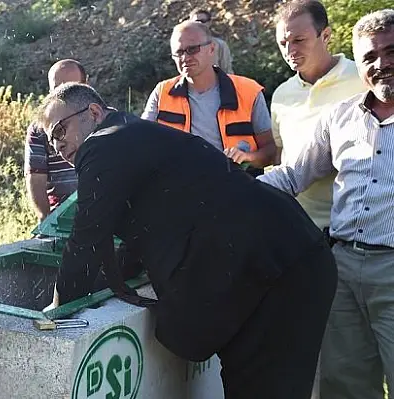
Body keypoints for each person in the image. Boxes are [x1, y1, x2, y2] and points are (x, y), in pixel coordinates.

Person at [40, 82, 337, 399]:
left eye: (60, 131)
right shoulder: (132, 133)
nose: (57, 145)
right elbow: (147, 229)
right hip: (287, 259)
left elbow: (87, 235)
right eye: (49, 141)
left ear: (95, 112)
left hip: (275, 270)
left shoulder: (101, 144)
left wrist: (57, 310)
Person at [258, 9, 394, 399]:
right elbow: (289, 175)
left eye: (391, 51)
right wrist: (223, 191)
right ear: (359, 62)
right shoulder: (341, 117)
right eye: (370, 57)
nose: (381, 64)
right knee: (343, 383)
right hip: (342, 267)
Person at [271, 0, 367, 231]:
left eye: (299, 40)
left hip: (354, 231)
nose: (290, 51)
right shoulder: (281, 95)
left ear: (325, 35)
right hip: (296, 227)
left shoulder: (364, 80)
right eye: (283, 43)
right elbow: (280, 156)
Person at [141, 21, 276, 175]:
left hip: (238, 187)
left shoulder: (248, 91)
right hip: (179, 188)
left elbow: (271, 151)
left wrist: (247, 157)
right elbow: (142, 141)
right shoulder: (162, 92)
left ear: (212, 49)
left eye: (192, 49)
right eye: (179, 52)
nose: (185, 57)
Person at [24, 59, 86, 221]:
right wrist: (47, 220)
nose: (64, 95)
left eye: (72, 88)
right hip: (61, 215)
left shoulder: (101, 119)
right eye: (58, 89)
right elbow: (36, 179)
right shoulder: (39, 129)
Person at [189, 8, 234, 74]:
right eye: (196, 21)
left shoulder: (220, 45)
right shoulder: (185, 45)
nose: (200, 24)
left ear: (209, 23)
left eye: (203, 21)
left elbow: (227, 71)